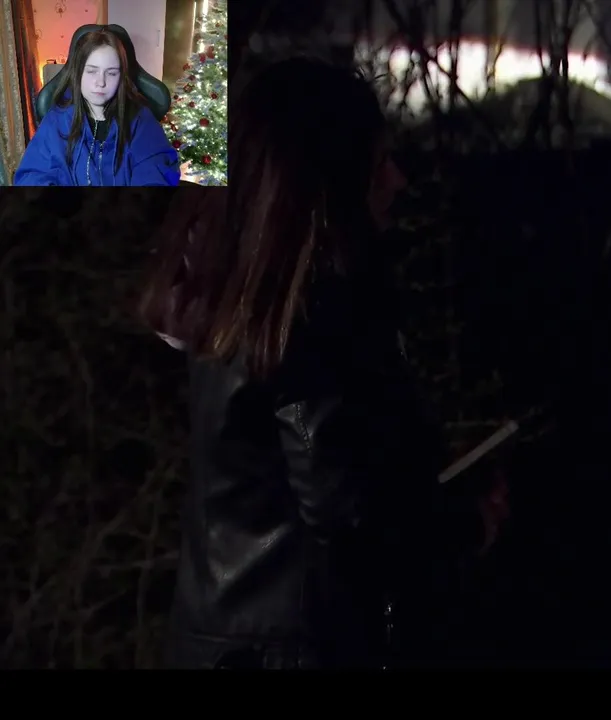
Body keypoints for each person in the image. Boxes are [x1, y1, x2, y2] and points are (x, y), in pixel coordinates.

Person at [138, 58, 502, 669]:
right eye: (377, 164)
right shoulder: (308, 315)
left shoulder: (236, 302)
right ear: (327, 182)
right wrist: (463, 526)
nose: (397, 181)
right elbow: (345, 503)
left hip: (230, 647)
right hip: (293, 650)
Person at [14, 28, 178, 186]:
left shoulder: (140, 120)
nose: (101, 82)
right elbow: (32, 176)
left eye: (111, 73)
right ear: (78, 73)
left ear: (121, 77)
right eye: (92, 71)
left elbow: (155, 174)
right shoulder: (57, 120)